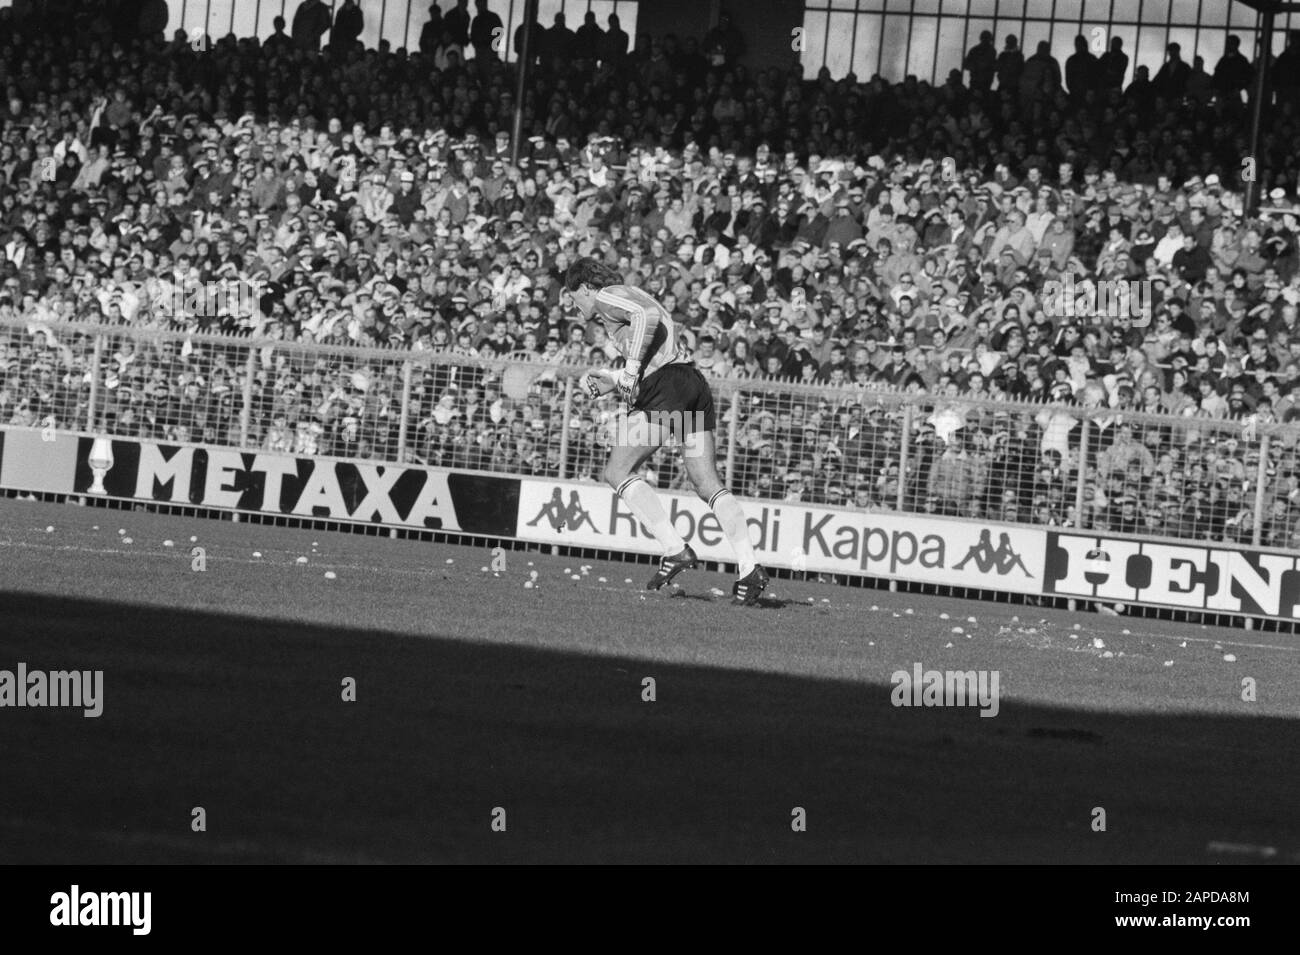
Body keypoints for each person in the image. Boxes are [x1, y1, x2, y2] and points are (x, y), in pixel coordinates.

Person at [563, 257, 768, 604]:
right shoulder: (626, 296)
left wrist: (626, 372)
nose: (573, 305)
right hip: (690, 383)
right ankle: (750, 569)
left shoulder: (606, 296)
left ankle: (674, 549)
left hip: (668, 387)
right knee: (706, 483)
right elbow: (657, 347)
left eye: (573, 296)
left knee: (616, 470)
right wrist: (615, 379)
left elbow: (648, 318)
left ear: (584, 287)